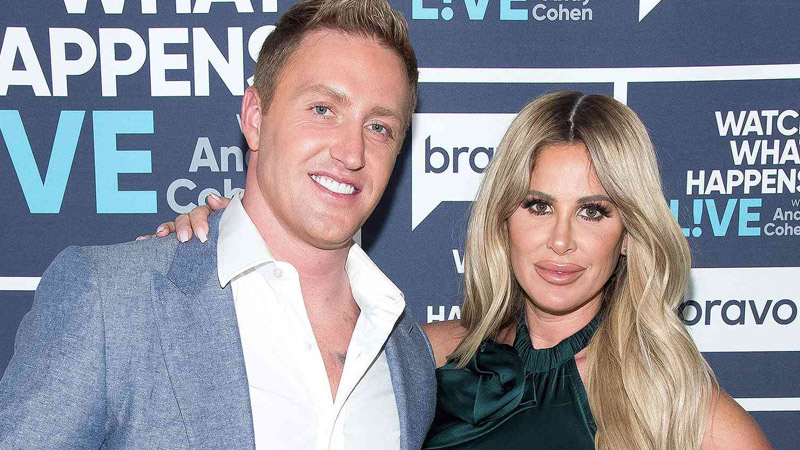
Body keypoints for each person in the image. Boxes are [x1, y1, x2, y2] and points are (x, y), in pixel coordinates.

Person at [166, 91, 771, 450]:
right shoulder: (427, 355)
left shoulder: (676, 404)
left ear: (629, 234)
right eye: (537, 205)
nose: (561, 240)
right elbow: (280, 364)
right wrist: (226, 234)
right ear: (503, 218)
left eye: (593, 211)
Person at [0, 1, 436, 449]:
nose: (352, 153)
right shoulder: (111, 301)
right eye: (323, 109)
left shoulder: (406, 353)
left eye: (379, 127)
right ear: (255, 118)